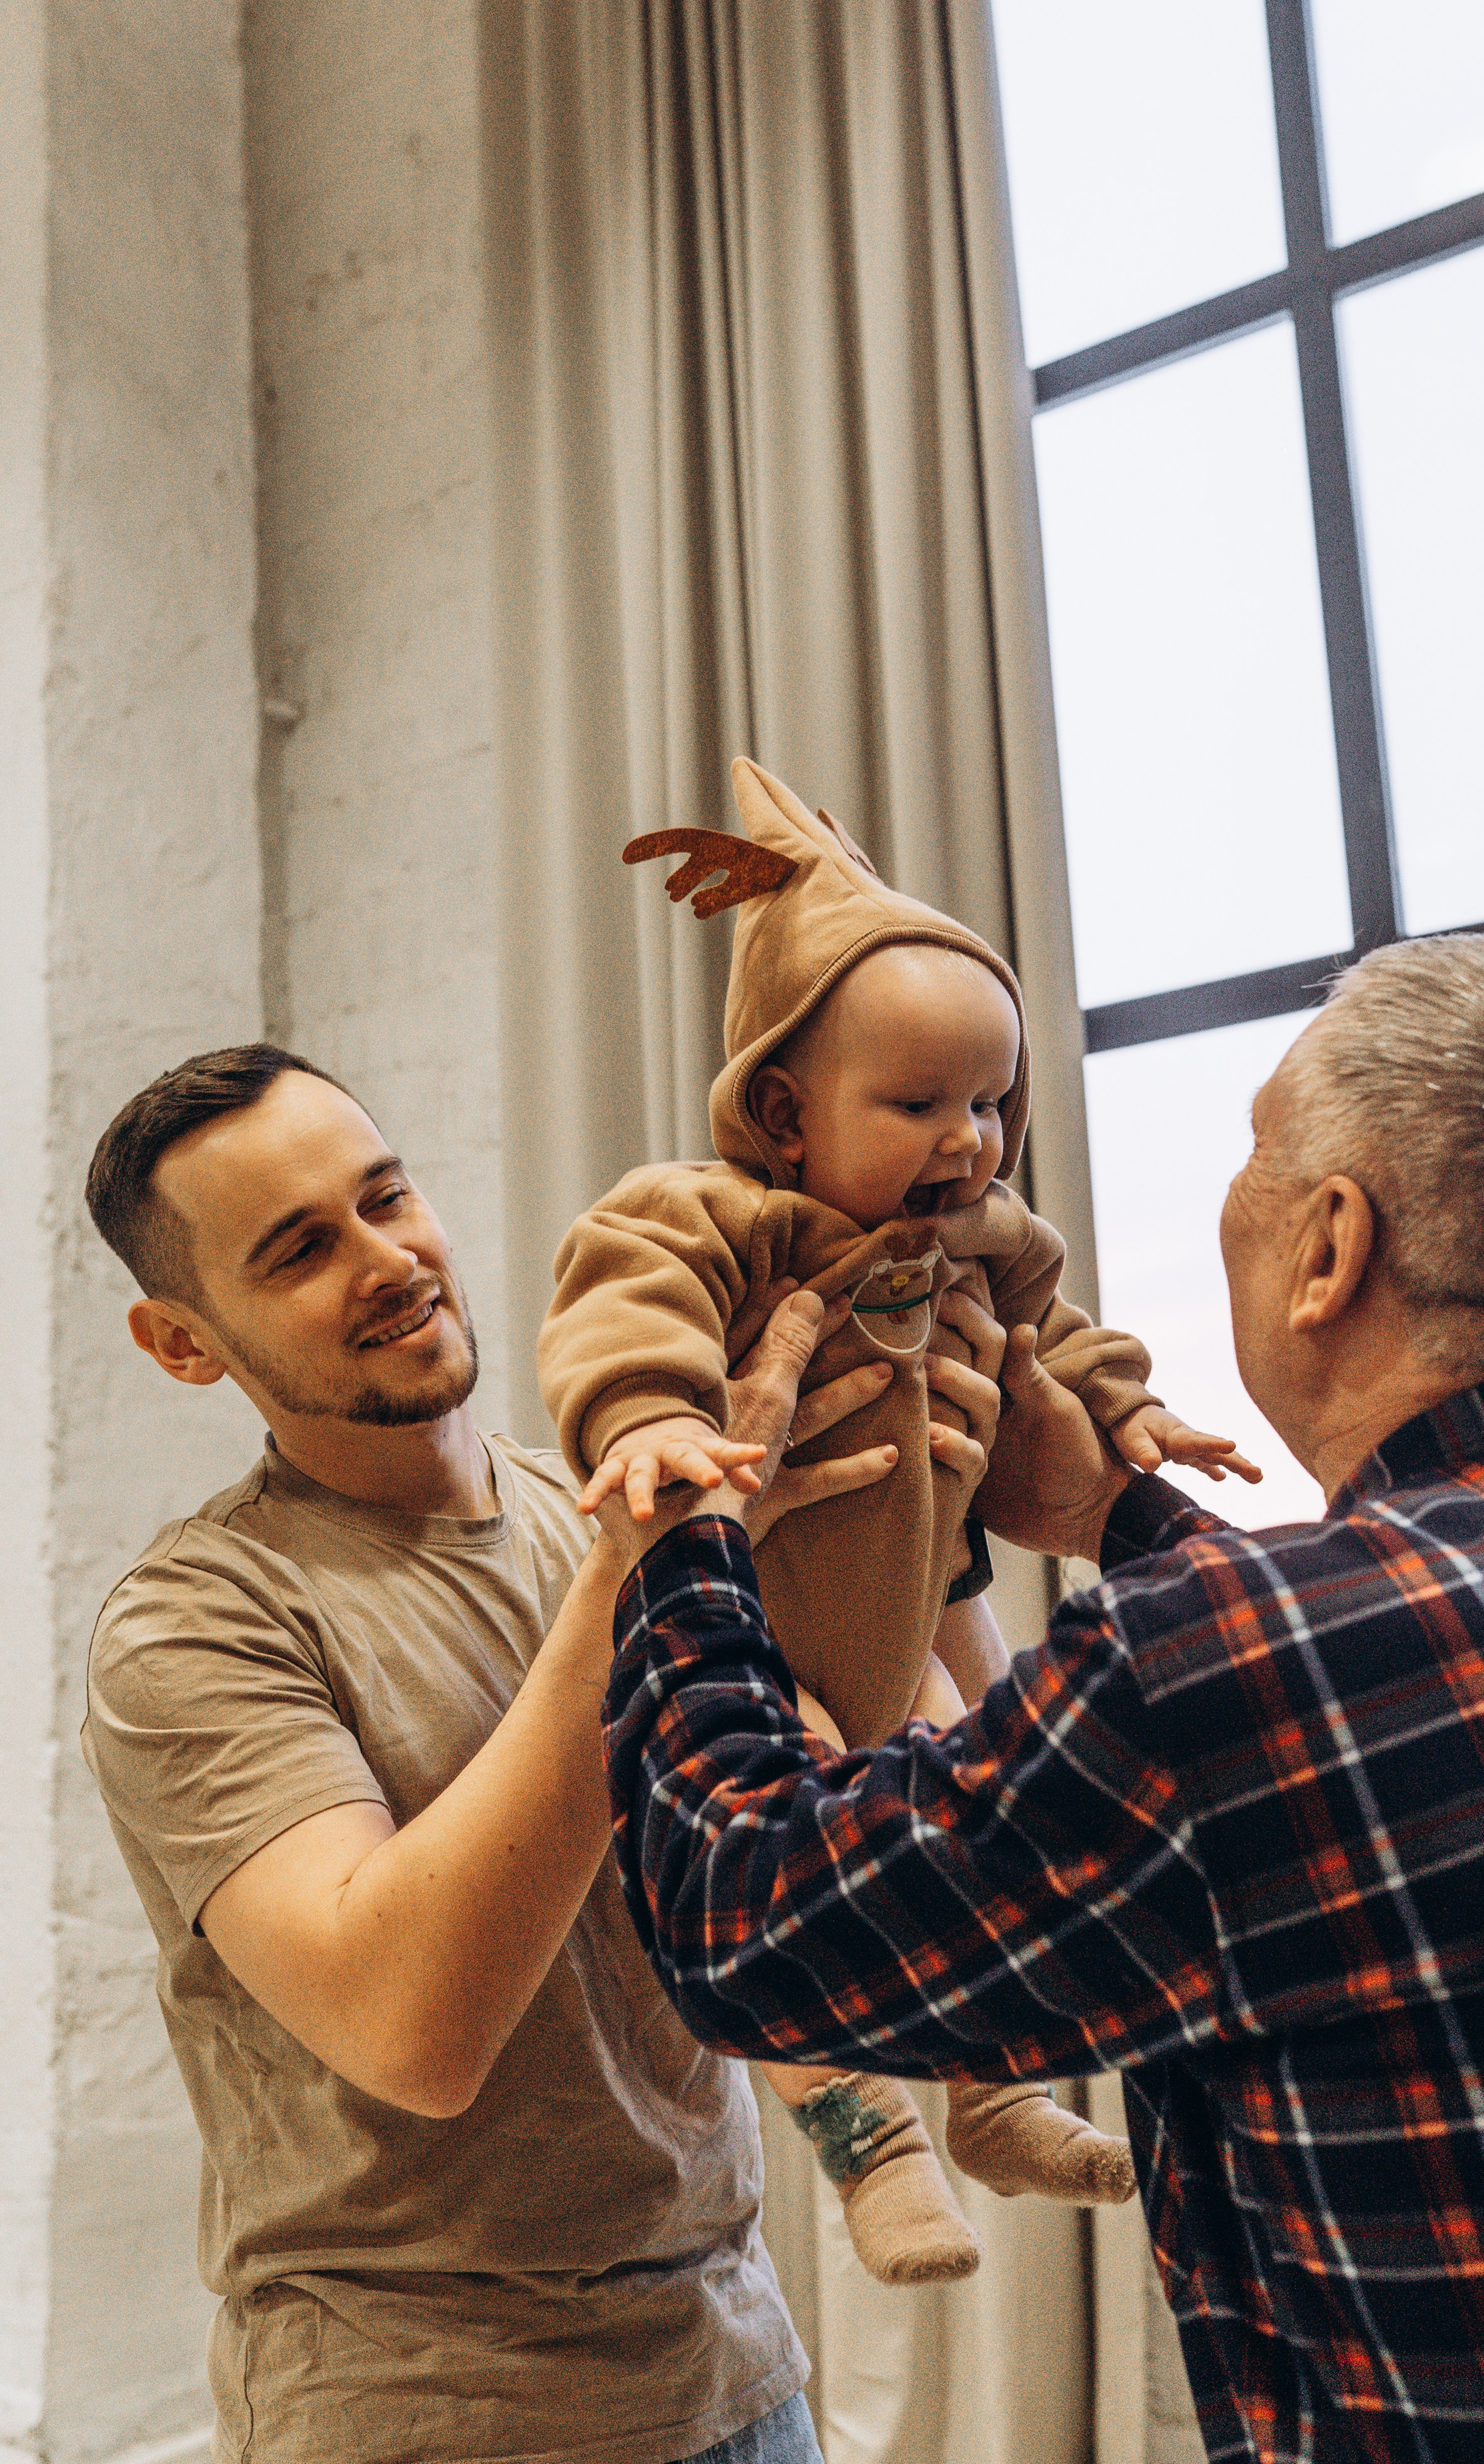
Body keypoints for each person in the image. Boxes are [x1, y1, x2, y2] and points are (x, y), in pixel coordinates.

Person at [598, 931, 1484, 2464]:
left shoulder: (1226, 1671)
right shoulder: (1303, 1653)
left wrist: (691, 1529)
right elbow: (1442, 1701)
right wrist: (1124, 1518)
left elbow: (746, 1918)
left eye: (1255, 1154)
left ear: (1327, 1245)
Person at [79, 1042, 982, 2464]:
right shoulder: (192, 1628)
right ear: (183, 1341)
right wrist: (636, 1569)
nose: (387, 1259)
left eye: (387, 1196)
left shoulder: (603, 1504)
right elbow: (412, 2032)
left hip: (737, 2371)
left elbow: (802, 1826)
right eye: (301, 1248)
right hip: (422, 2417)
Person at [541, 759, 1253, 2282]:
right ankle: (871, 2152)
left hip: (911, 1611)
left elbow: (1056, 1334)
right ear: (784, 1115)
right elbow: (623, 1305)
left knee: (963, 1838)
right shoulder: (713, 1215)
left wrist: (1129, 1426)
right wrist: (655, 1415)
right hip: (764, 1622)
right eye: (920, 1104)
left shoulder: (982, 1239)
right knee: (781, 1855)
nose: (973, 1141)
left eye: (990, 1101)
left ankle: (995, 2099)